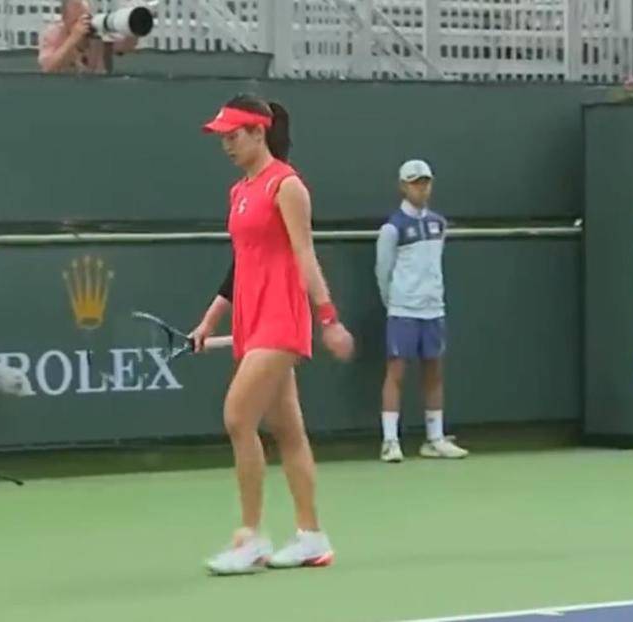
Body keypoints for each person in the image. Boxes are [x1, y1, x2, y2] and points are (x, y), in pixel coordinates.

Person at [193, 94, 356, 575]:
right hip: (250, 317)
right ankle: (312, 536)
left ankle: (251, 537)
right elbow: (241, 263)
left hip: (281, 317)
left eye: (233, 135)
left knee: (237, 416)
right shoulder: (239, 191)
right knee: (287, 429)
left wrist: (328, 318)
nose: (226, 145)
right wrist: (210, 320)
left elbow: (305, 255)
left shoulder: (287, 186)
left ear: (258, 132)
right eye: (222, 137)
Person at [375, 159, 469, 463]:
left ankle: (435, 439)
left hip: (434, 310)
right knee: (396, 372)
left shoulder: (439, 224)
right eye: (415, 183)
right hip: (403, 310)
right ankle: (390, 441)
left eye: (425, 182)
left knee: (434, 372)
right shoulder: (392, 228)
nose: (421, 188)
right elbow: (383, 271)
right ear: (403, 186)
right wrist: (394, 302)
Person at [38, 0, 139, 75]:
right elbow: (48, 69)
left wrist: (132, 25)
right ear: (64, 18)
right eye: (76, 20)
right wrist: (74, 38)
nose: (82, 24)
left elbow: (125, 46)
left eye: (85, 18)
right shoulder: (53, 34)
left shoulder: (96, 28)